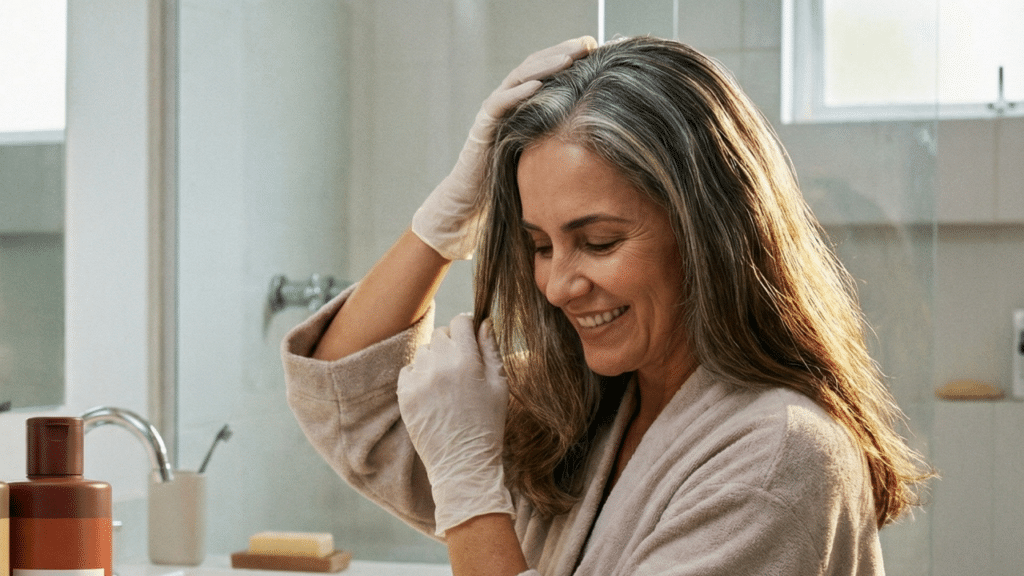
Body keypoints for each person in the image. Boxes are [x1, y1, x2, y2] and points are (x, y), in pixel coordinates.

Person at [282, 36, 931, 575]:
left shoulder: (776, 461)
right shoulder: (588, 412)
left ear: (707, 231)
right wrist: (449, 216)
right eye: (540, 245)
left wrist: (470, 485)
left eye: (597, 242)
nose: (559, 285)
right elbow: (352, 400)